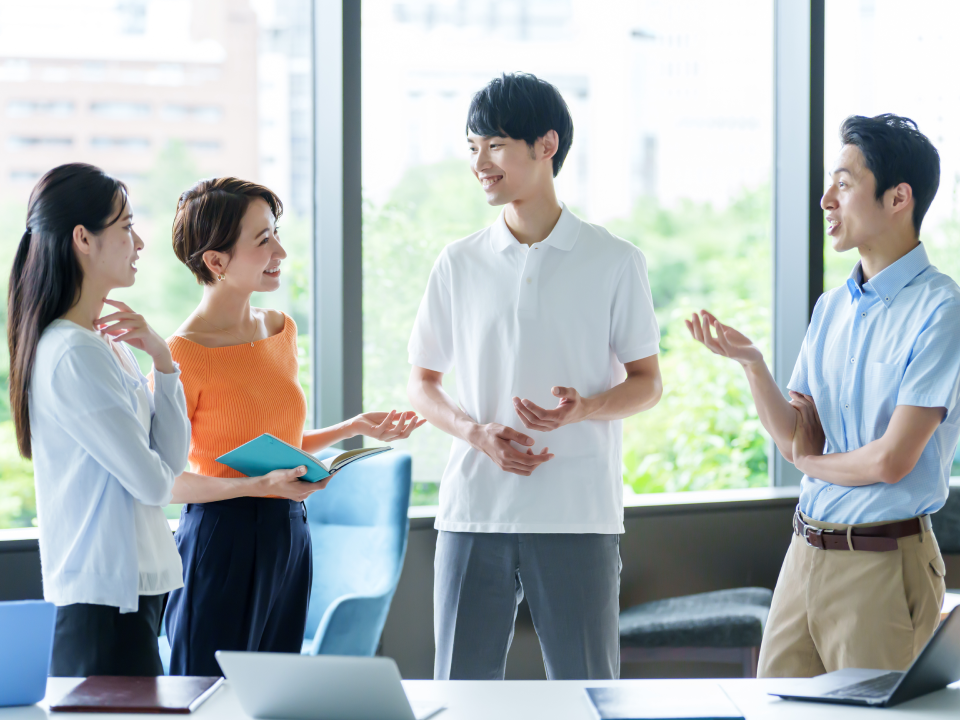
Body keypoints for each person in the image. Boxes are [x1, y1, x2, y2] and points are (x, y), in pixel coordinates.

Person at [407, 73, 663, 681]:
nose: (479, 163)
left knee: (587, 693)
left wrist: (584, 407)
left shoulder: (615, 260)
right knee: (460, 695)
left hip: (577, 512)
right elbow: (421, 383)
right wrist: (476, 434)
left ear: (545, 145)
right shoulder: (458, 261)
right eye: (473, 148)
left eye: (494, 145)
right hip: (474, 511)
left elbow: (648, 382)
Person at [687, 114, 960, 677]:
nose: (825, 199)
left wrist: (812, 461)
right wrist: (753, 365)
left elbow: (891, 459)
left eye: (843, 182)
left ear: (898, 197)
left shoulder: (942, 310)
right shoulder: (829, 309)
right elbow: (795, 438)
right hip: (804, 552)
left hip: (882, 564)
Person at [162, 177, 426, 676]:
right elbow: (168, 481)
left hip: (289, 536)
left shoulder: (280, 329)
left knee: (275, 695)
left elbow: (273, 443)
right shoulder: (184, 354)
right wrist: (260, 485)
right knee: (206, 693)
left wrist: (353, 426)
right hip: (221, 540)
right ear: (215, 262)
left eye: (275, 232)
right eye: (262, 240)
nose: (280, 250)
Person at [7, 163, 190, 676]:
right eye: (127, 226)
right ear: (83, 239)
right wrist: (160, 471)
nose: (140, 242)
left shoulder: (108, 344)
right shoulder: (71, 353)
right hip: (103, 605)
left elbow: (171, 462)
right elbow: (156, 484)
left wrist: (163, 361)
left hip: (136, 595)